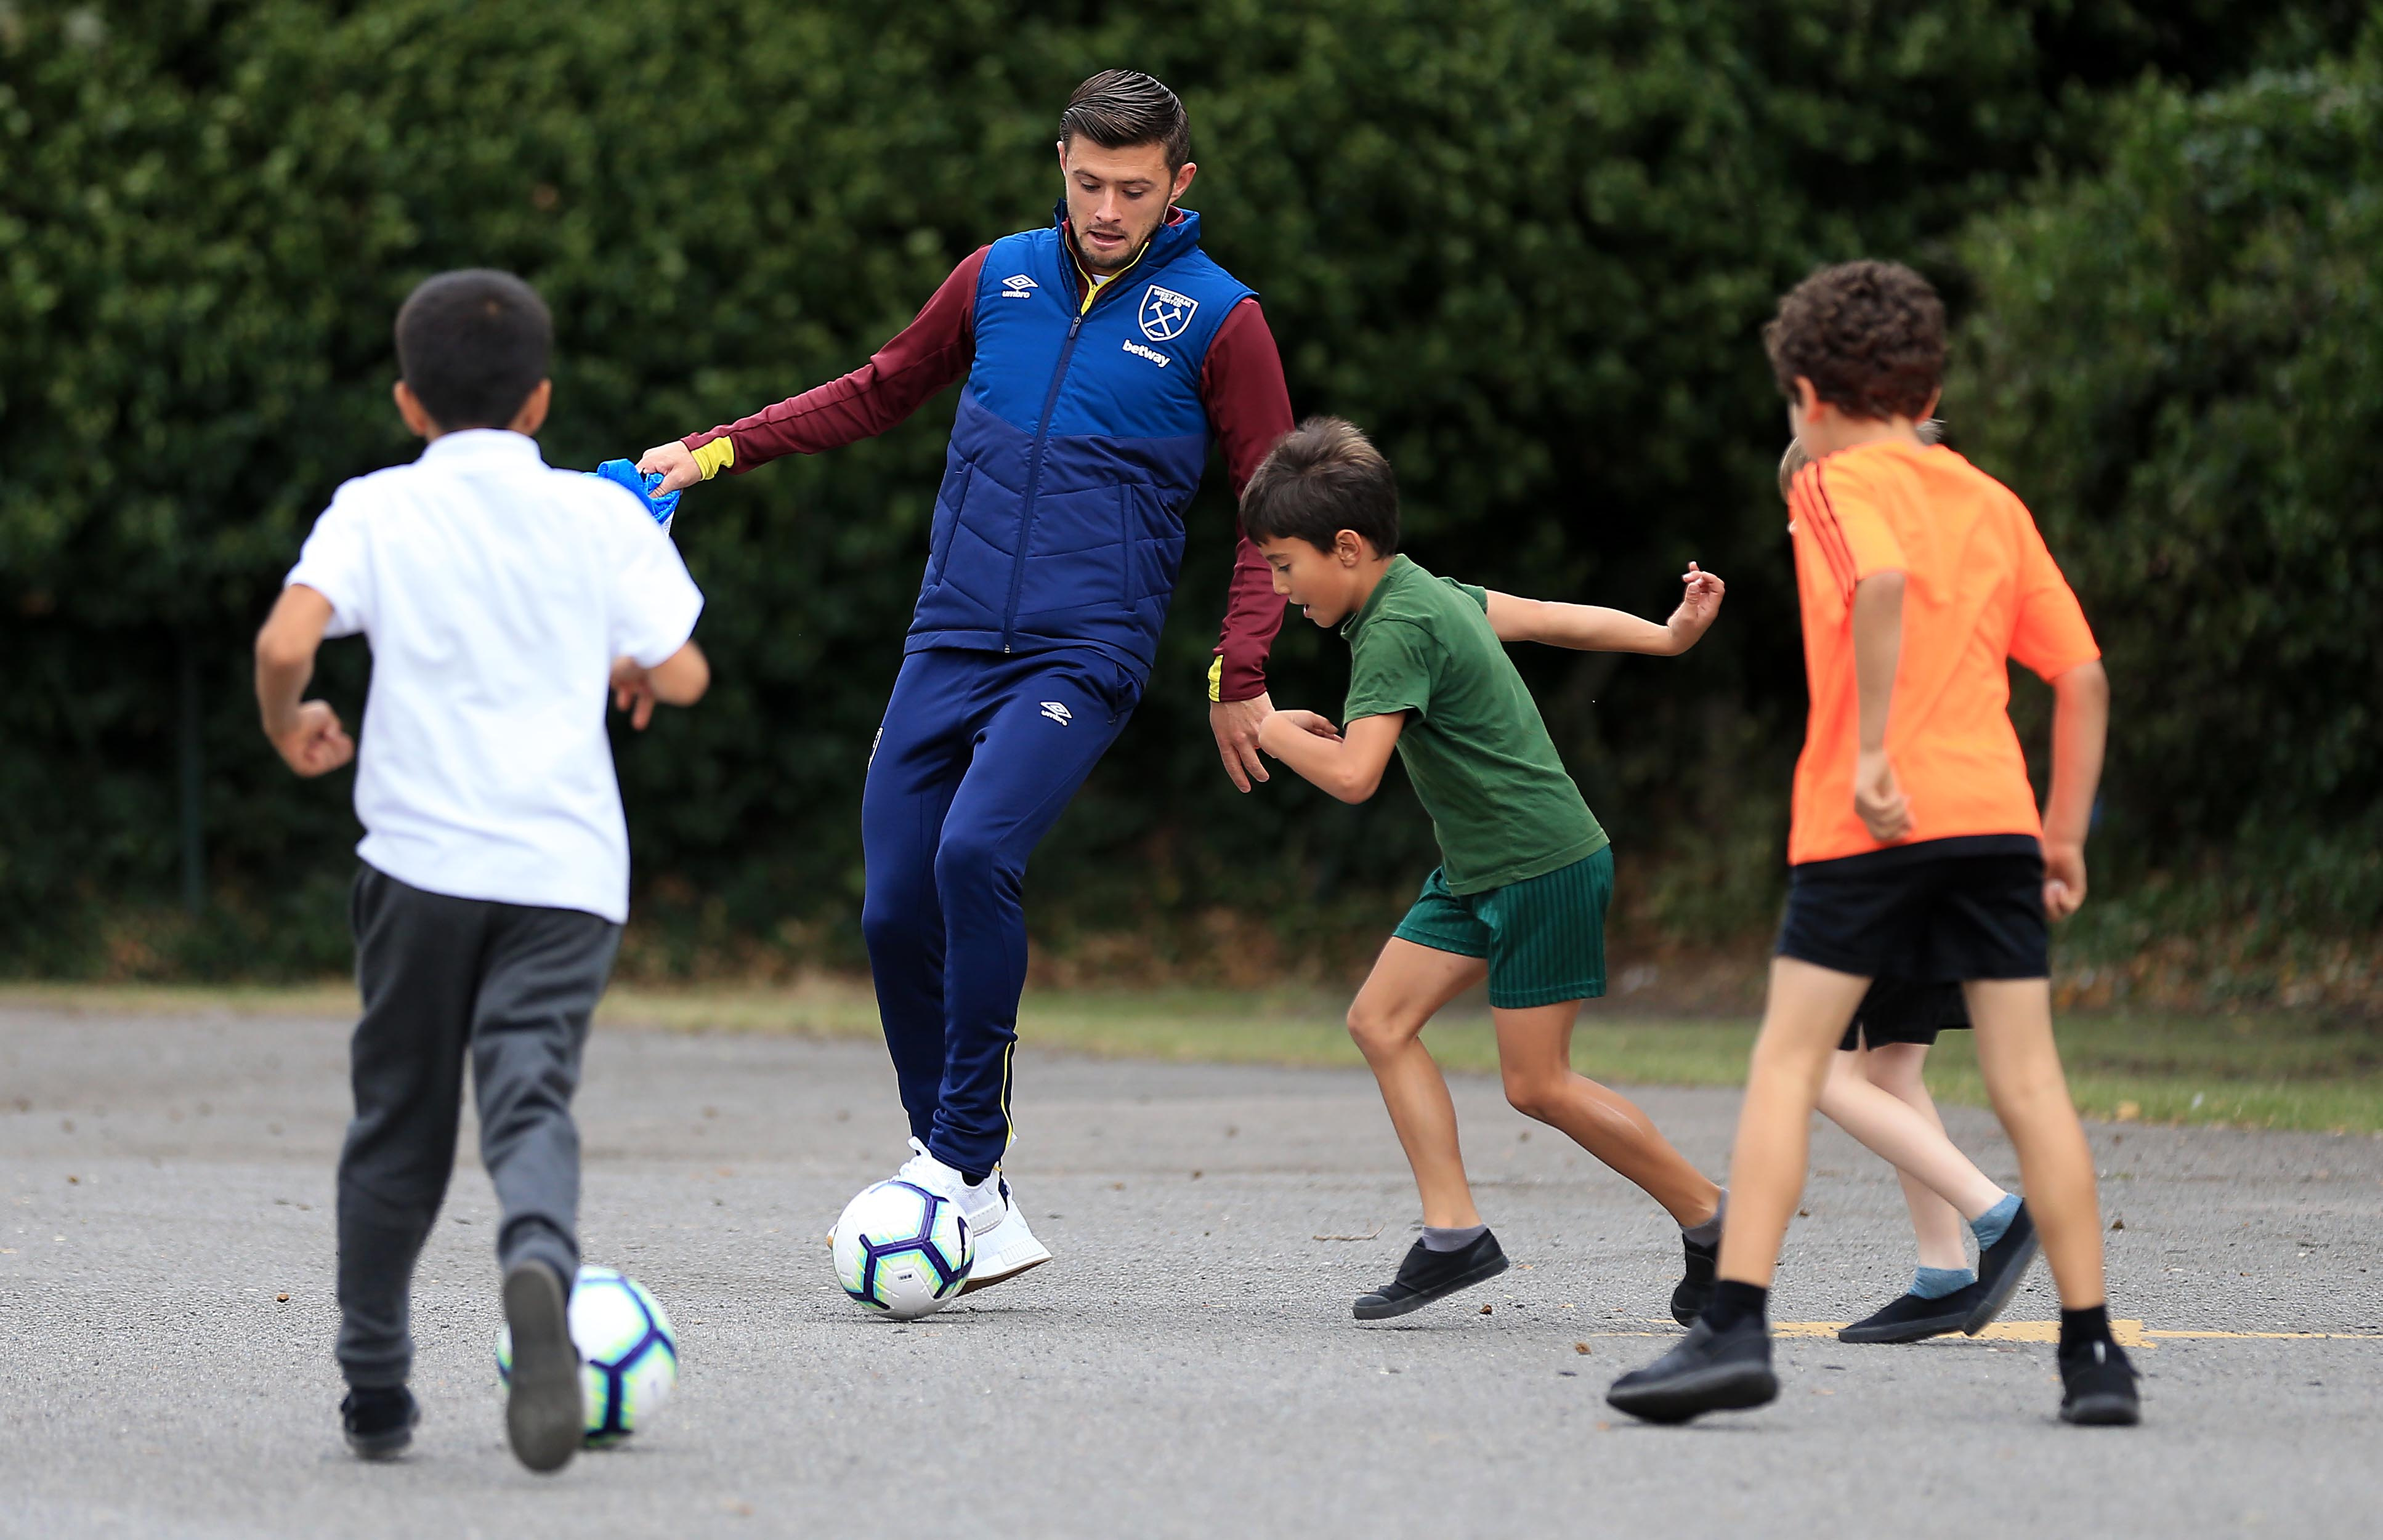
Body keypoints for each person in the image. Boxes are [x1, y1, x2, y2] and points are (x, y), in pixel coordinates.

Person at [632, 70, 1295, 1292]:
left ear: (1179, 186)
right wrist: (719, 448)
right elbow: (878, 389)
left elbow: (1275, 506)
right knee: (892, 907)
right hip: (949, 637)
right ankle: (977, 1200)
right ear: (1061, 163)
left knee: (974, 856)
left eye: (1133, 189)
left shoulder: (1219, 317)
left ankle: (954, 1159)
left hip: (1082, 652)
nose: (1106, 209)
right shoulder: (999, 276)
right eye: (1087, 181)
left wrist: (1237, 665)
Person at [1607, 259, 2137, 1426]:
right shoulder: (1990, 499)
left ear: (1804, 392)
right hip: (1997, 820)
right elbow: (2082, 675)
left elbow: (1883, 584)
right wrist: (2061, 837)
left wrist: (1875, 755)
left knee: (1791, 1064)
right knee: (2029, 1080)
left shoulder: (1833, 482)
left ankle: (1734, 1327)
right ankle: (2093, 1355)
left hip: (1866, 823)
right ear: (1926, 381)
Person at [254, 270, 710, 1470]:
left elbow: (286, 639)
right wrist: (628, 661)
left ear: (410, 405)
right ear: (542, 401)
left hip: (419, 865)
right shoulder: (599, 518)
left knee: (398, 1122)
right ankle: (536, 1262)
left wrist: (288, 717)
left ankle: (376, 1392)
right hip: (565, 874)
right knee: (529, 1095)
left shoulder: (375, 508)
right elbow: (685, 675)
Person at [1241, 416, 1731, 1323]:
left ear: (1345, 549)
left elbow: (1353, 775)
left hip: (1537, 862)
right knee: (1380, 1020)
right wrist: (1665, 639)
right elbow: (1545, 618)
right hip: (1478, 865)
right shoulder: (1427, 592)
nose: (1277, 585)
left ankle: (1712, 1221)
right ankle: (1453, 1234)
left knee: (1537, 1084)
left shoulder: (1394, 629)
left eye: (1282, 563)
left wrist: (1270, 729)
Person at [1776, 437, 2039, 1344]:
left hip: (1887, 843)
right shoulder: (1955, 555)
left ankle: (1997, 1214)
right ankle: (1940, 1273)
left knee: (1809, 1064)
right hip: (1962, 829)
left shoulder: (1864, 579)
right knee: (1889, 1064)